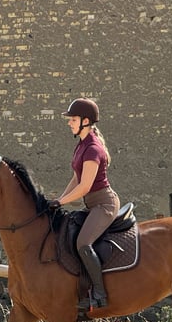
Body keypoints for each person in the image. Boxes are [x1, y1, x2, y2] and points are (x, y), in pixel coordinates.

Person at [50, 98, 120, 310]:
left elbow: (85, 187)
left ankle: (99, 292)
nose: (69, 123)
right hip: (93, 205)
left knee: (83, 243)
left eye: (72, 119)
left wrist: (61, 200)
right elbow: (76, 179)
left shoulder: (92, 149)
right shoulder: (81, 145)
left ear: (86, 121)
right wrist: (59, 200)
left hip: (104, 205)